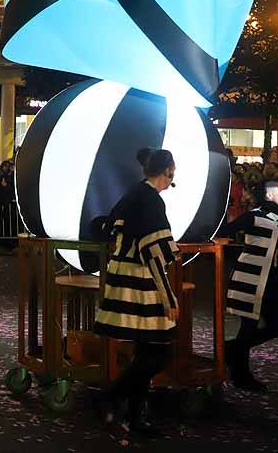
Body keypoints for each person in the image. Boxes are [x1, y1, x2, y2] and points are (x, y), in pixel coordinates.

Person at [94, 148, 180, 437]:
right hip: (141, 284)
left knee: (147, 350)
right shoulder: (151, 201)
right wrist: (169, 298)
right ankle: (114, 396)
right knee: (159, 351)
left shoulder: (132, 195)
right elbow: (156, 255)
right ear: (167, 170)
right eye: (173, 171)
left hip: (124, 277)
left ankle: (133, 415)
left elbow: (105, 230)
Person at [218, 180, 278, 392]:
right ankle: (241, 374)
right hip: (251, 277)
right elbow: (226, 230)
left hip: (269, 280)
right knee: (249, 326)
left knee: (274, 327)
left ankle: (231, 350)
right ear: (269, 196)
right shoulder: (253, 216)